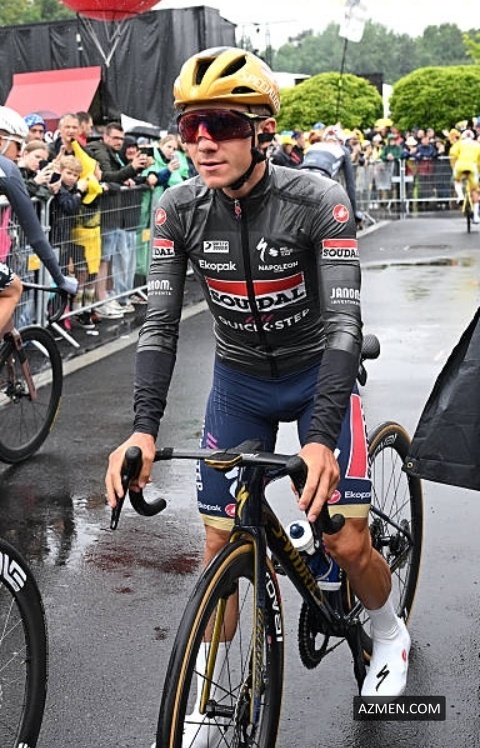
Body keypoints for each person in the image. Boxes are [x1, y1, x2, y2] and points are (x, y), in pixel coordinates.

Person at [105, 48, 410, 729]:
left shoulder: (319, 201)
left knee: (347, 545)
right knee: (220, 548)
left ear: (262, 130)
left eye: (222, 125)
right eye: (191, 127)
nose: (204, 142)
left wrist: (321, 438)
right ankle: (208, 704)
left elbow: (344, 325)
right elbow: (158, 325)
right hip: (238, 385)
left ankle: (389, 632)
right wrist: (143, 429)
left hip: (316, 378)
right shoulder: (176, 209)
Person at [0, 105, 78, 328]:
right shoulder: (6, 169)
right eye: (18, 145)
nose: (19, 153)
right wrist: (60, 279)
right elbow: (34, 233)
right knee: (13, 287)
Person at [86, 121, 149, 317]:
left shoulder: (110, 153)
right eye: (115, 138)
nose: (119, 142)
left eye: (121, 138)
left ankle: (105, 297)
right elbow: (107, 177)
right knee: (103, 260)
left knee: (108, 260)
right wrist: (132, 168)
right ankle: (100, 300)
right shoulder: (100, 151)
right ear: (105, 137)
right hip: (103, 214)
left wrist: (130, 174)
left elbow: (112, 178)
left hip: (113, 214)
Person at [300, 125, 363, 225]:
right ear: (341, 141)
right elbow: (350, 185)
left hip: (301, 180)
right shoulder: (343, 150)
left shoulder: (312, 147)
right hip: (322, 181)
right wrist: (354, 213)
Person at [449, 129, 480, 222]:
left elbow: (452, 153)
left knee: (457, 180)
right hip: (472, 167)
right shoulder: (477, 145)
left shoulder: (459, 143)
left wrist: (454, 164)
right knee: (475, 190)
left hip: (460, 165)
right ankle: (476, 216)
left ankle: (460, 196)